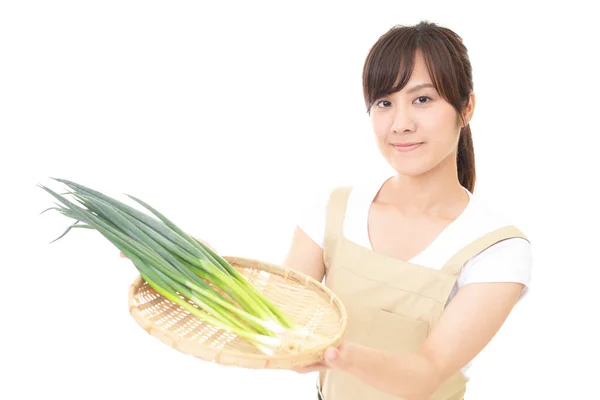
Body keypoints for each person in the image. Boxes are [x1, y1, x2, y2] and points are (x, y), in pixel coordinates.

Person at [282, 21, 533, 400]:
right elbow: (280, 315)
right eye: (385, 103)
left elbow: (425, 374)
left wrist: (334, 353)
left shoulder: (497, 249)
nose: (401, 125)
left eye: (422, 100)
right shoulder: (331, 210)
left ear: (466, 108)